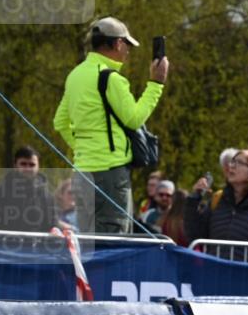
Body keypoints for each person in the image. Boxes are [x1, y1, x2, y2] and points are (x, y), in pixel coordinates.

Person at [53, 16, 168, 234]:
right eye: (127, 45)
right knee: (114, 241)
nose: (128, 51)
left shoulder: (75, 76)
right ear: (118, 43)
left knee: (88, 242)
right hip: (111, 175)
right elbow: (134, 119)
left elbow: (60, 122)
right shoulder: (111, 78)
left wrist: (83, 149)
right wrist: (156, 83)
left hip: (81, 175)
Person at [184, 149, 248, 262]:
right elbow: (195, 235)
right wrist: (193, 200)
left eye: (239, 162)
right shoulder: (217, 198)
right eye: (232, 161)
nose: (231, 166)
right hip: (214, 271)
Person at [0, 146, 59, 233]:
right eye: (23, 164)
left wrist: (55, 230)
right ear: (15, 166)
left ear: (38, 167)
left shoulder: (47, 197)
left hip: (36, 242)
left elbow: (52, 225)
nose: (28, 168)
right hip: (4, 241)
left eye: (32, 165)